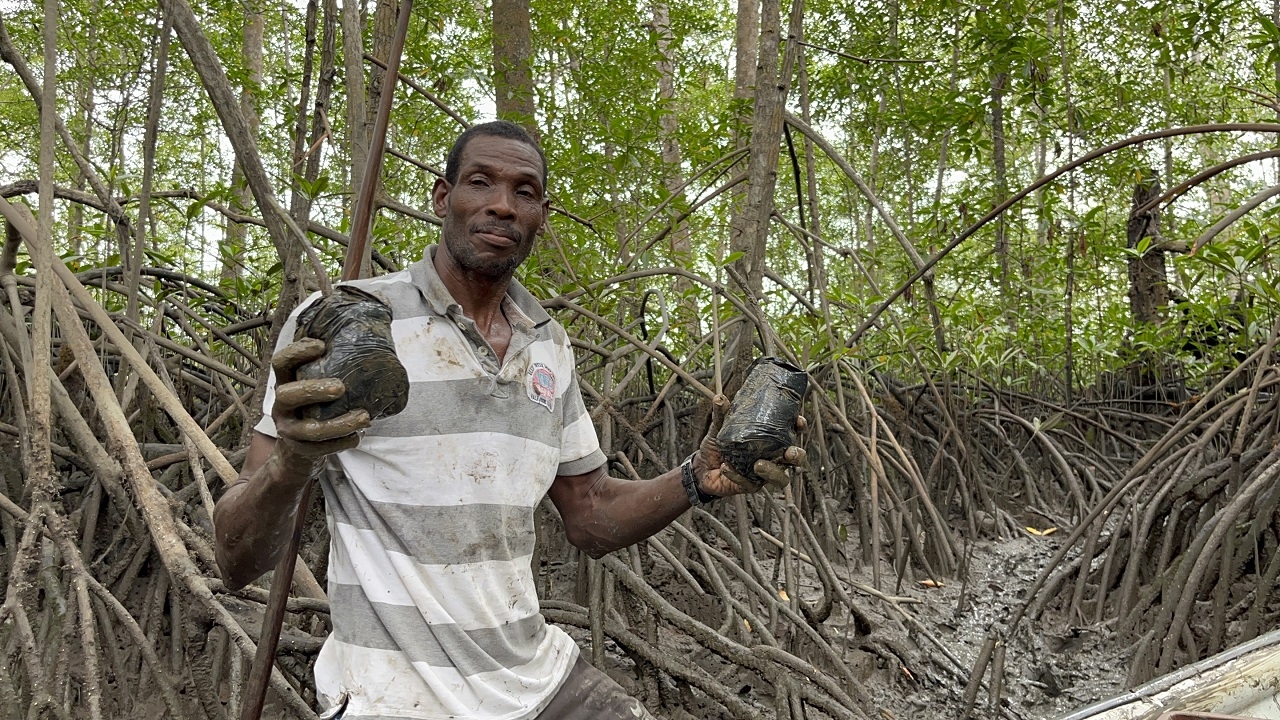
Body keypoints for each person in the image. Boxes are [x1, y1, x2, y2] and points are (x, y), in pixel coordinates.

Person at [213, 120, 805, 720]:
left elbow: (592, 516)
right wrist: (291, 461)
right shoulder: (349, 321)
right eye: (480, 183)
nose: (501, 205)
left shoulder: (548, 344)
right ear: (443, 198)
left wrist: (698, 479)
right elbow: (237, 561)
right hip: (392, 695)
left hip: (537, 678)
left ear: (542, 214)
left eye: (524, 192)